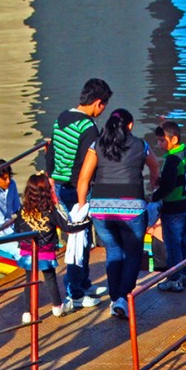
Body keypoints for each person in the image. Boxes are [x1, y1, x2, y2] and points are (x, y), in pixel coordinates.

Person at [76, 108, 160, 319]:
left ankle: (116, 300)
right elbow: (155, 166)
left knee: (113, 252)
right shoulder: (141, 145)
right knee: (132, 253)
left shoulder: (97, 145)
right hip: (132, 207)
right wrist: (153, 183)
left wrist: (82, 205)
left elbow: (83, 179)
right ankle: (122, 297)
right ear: (130, 125)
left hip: (101, 209)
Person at [47, 77, 112, 310]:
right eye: (103, 105)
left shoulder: (62, 117)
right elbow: (88, 165)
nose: (102, 110)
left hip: (61, 187)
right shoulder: (88, 128)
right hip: (78, 190)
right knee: (79, 240)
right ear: (97, 103)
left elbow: (51, 153)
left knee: (77, 239)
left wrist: (51, 179)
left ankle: (83, 283)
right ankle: (75, 292)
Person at [12, 174, 92, 323]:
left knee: (29, 280)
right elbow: (67, 226)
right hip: (45, 250)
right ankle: (57, 306)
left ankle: (27, 313)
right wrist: (86, 222)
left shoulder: (23, 210)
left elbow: (17, 228)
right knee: (50, 278)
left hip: (27, 249)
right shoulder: (50, 210)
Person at [151, 120, 186, 291]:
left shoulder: (172, 159)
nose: (159, 144)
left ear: (174, 140)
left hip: (173, 209)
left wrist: (154, 197)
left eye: (162, 140)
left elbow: (168, 187)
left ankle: (174, 278)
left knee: (173, 244)